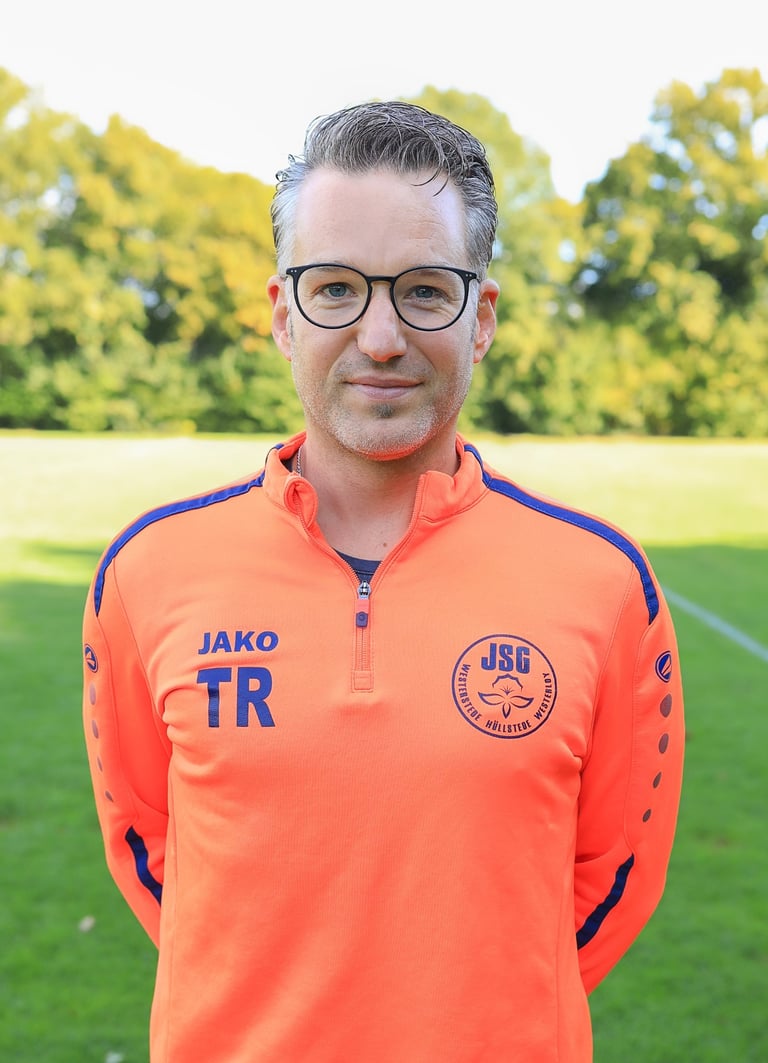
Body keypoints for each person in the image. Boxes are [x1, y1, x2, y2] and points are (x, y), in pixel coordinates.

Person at [82, 101, 684, 1062]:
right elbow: (151, 851)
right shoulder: (147, 572)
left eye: (425, 290)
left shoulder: (605, 582)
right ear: (283, 315)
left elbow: (614, 875)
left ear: (481, 318)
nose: (380, 337)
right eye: (334, 288)